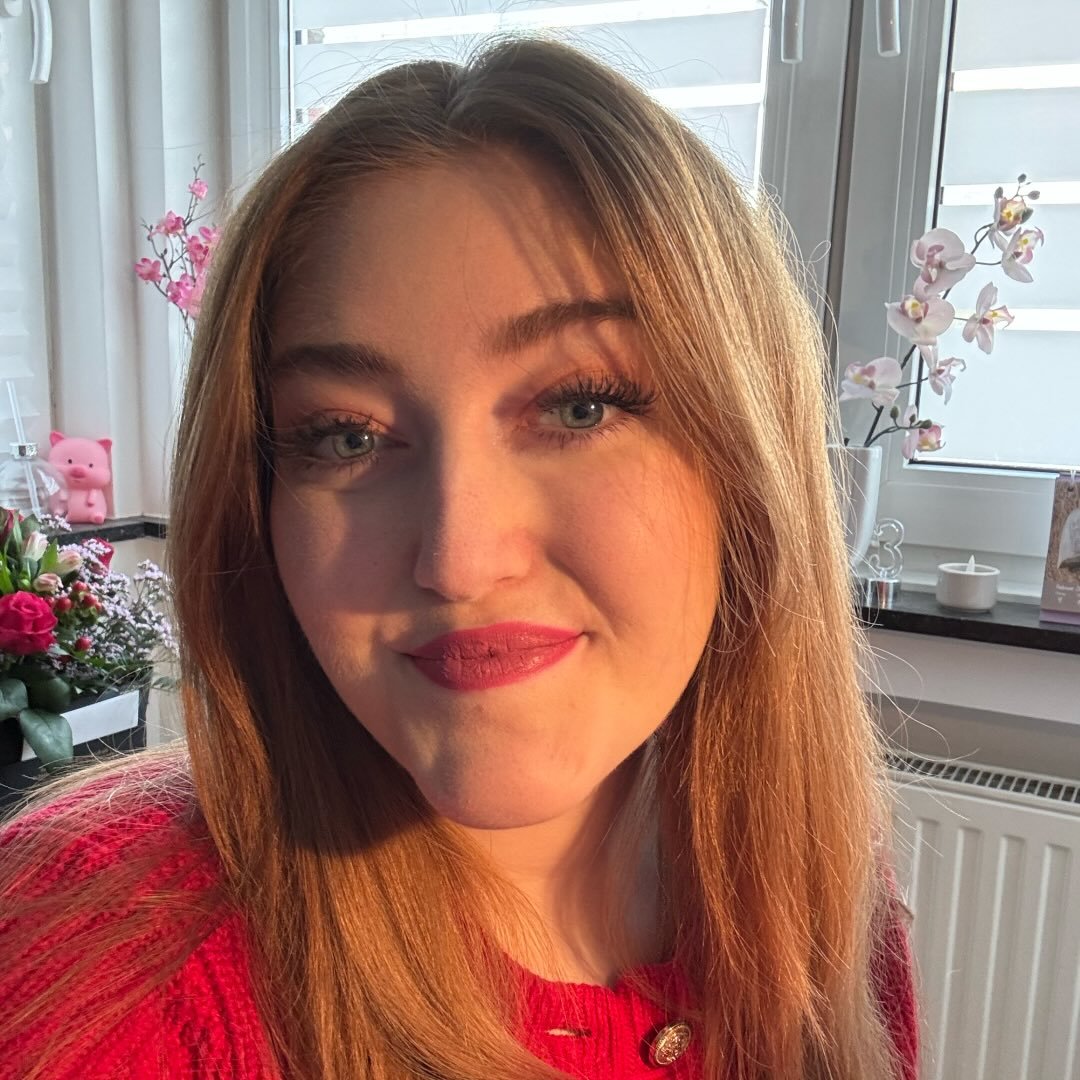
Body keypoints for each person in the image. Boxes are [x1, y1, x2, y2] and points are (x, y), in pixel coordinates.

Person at [0, 34, 920, 1080]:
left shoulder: (817, 910)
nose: (459, 558)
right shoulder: (94, 973)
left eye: (580, 407)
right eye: (345, 436)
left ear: (747, 471)